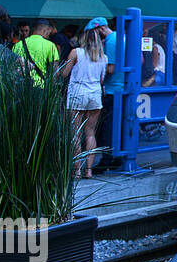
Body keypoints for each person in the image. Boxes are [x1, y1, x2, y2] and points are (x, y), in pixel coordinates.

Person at [59, 25, 109, 179]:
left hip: (77, 94)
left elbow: (64, 73)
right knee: (90, 133)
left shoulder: (76, 53)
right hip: (94, 94)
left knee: (75, 133)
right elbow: (102, 79)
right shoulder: (103, 57)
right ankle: (89, 170)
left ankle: (77, 171)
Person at [88, 17, 123, 170]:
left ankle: (106, 160)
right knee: (119, 125)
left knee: (107, 128)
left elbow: (110, 69)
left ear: (100, 30)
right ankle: (118, 156)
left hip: (111, 89)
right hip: (122, 87)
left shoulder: (109, 42)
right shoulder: (121, 37)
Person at [12, 19, 62, 87]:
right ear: (45, 30)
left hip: (21, 86)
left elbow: (13, 68)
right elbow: (55, 71)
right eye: (49, 32)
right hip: (39, 87)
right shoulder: (50, 45)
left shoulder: (18, 45)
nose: (49, 35)